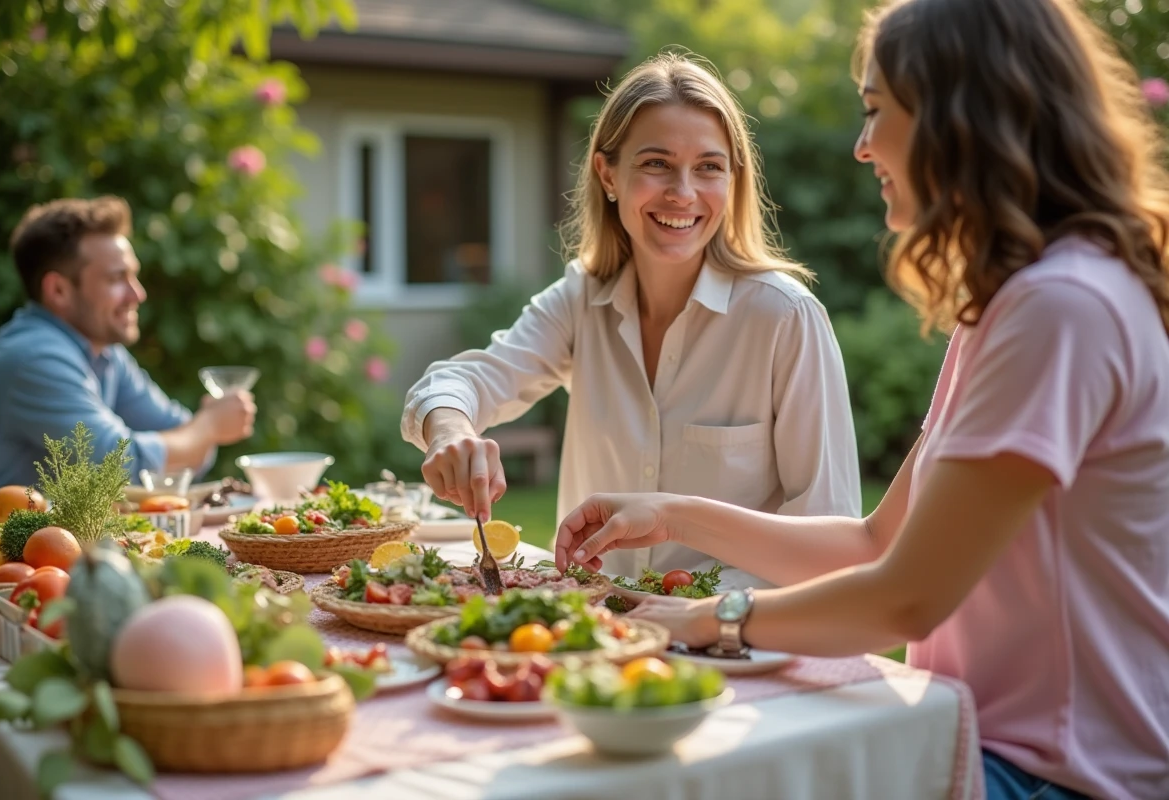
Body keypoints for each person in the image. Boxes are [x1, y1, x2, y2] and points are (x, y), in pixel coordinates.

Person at [554, 1, 1169, 798]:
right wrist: (671, 514)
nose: (862, 144)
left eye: (877, 111)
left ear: (957, 116)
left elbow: (905, 599)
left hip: (1049, 774)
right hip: (973, 735)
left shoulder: (1062, 309)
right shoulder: (1014, 304)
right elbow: (880, 541)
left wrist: (706, 621)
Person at [402, 51, 861, 588]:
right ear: (608, 173)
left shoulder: (786, 318)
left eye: (708, 167)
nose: (683, 192)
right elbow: (462, 381)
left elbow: (833, 543)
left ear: (733, 179)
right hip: (595, 639)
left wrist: (705, 608)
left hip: (733, 642)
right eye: (656, 163)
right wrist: (451, 429)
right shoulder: (581, 298)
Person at [0, 196, 257, 508]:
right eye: (117, 278)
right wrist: (209, 426)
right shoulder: (34, 357)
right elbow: (119, 468)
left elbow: (182, 442)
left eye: (134, 275)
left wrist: (200, 433)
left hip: (59, 549)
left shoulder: (104, 352)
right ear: (58, 291)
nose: (138, 293)